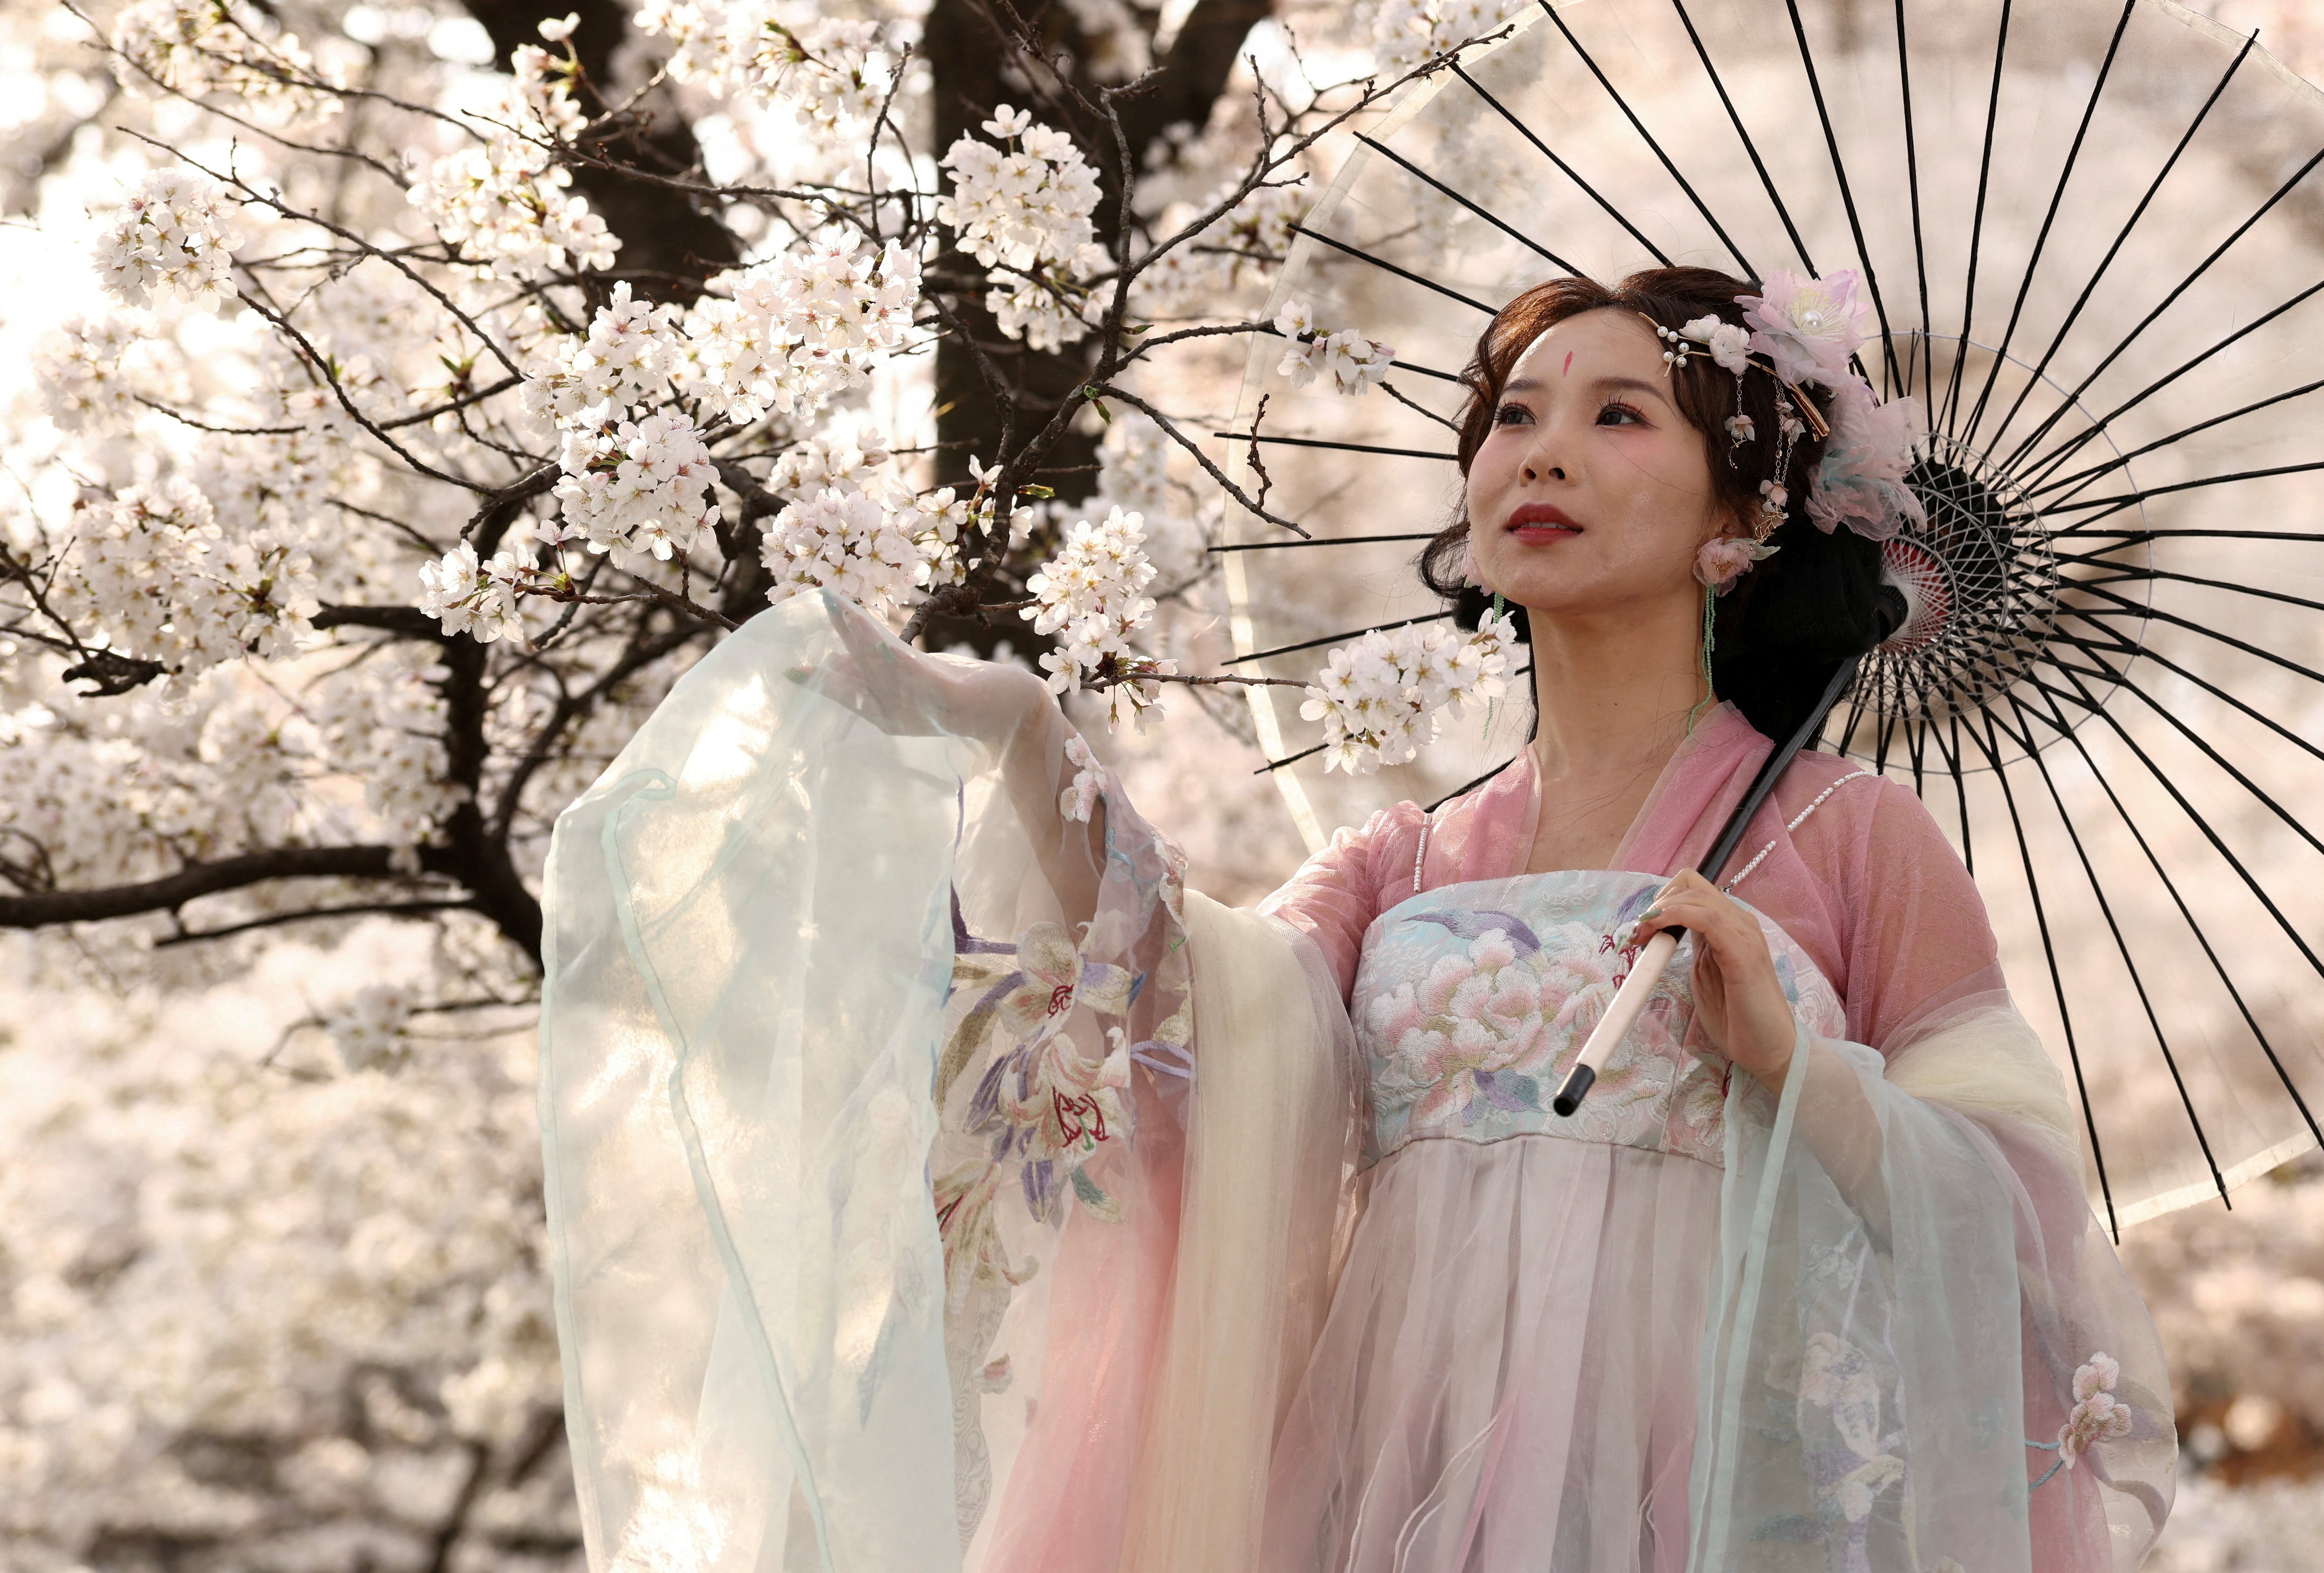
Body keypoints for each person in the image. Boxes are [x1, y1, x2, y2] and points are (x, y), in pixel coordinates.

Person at [540, 267, 2177, 1573]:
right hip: (1396, 1470)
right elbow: (1186, 1009)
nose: (1537, 451)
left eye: (1618, 416)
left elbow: (2023, 1221)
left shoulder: (1853, 840)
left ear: (1740, 513)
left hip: (1715, 1490)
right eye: (1510, 414)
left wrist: (1793, 1066)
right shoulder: (1402, 861)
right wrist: (1022, 733)